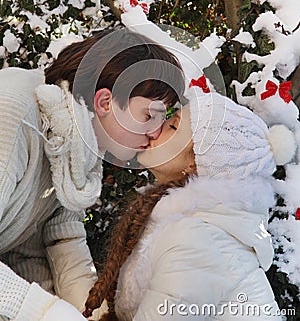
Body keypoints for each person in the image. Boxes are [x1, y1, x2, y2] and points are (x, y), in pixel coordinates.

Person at [0, 27, 185, 321]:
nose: (155, 133)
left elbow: (56, 240)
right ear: (104, 102)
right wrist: (45, 313)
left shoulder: (78, 141)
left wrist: (94, 315)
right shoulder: (12, 117)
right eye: (149, 115)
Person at [83, 80, 285, 320]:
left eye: (173, 126)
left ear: (195, 162)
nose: (155, 129)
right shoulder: (187, 223)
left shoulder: (197, 240)